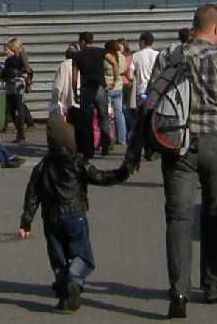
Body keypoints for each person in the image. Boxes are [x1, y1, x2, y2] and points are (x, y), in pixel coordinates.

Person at [117, 4, 217, 317]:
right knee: (213, 214)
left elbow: (150, 101)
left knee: (178, 219)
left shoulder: (169, 56)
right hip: (215, 145)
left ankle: (178, 292)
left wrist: (134, 151)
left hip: (176, 144)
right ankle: (212, 284)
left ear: (194, 26)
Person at [15, 120, 130, 310]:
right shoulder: (77, 162)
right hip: (75, 214)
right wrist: (122, 173)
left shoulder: (42, 166)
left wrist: (26, 222)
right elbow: (100, 177)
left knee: (58, 257)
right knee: (83, 256)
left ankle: (63, 292)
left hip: (50, 218)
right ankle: (74, 279)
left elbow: (32, 196)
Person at [54, 36, 102, 161]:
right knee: (87, 125)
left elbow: (58, 86)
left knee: (73, 127)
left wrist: (56, 101)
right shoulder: (86, 61)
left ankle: (75, 149)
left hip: (70, 102)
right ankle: (89, 150)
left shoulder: (63, 65)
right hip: (84, 97)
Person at [0, 39, 37, 141]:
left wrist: (21, 75)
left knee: (19, 107)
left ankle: (21, 133)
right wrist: (2, 73)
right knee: (11, 108)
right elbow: (6, 74)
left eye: (8, 50)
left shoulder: (20, 58)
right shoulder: (8, 61)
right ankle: (19, 131)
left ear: (13, 49)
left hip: (18, 85)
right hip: (10, 85)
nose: (6, 52)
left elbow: (27, 71)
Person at [100, 39, 131, 154]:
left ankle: (109, 138)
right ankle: (122, 139)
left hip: (108, 87)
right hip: (119, 87)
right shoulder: (122, 57)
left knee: (107, 115)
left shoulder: (106, 57)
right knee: (119, 113)